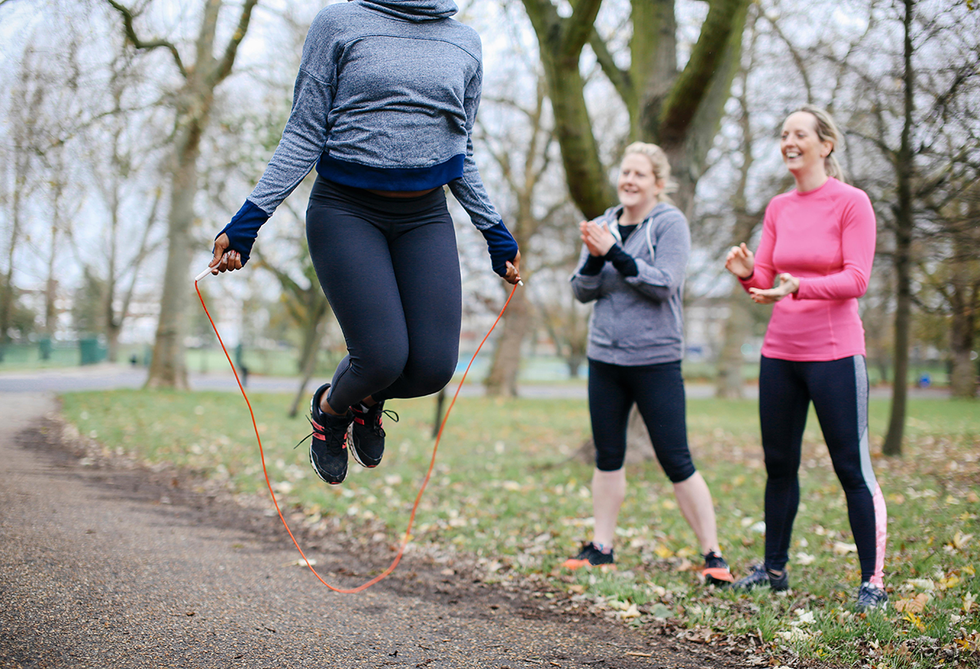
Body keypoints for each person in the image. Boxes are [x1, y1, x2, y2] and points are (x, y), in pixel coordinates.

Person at [208, 0, 521, 486]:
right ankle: (330, 410)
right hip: (346, 210)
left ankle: (364, 402)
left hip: (424, 216)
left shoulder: (465, 42)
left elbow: (461, 149)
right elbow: (304, 132)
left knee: (433, 367)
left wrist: (494, 231)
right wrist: (248, 221)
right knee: (381, 358)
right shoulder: (339, 23)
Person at [724, 106, 887, 612]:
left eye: (799, 134)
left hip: (835, 353)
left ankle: (873, 583)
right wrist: (747, 273)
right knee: (779, 465)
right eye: (784, 134)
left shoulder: (852, 203)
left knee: (851, 467)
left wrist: (799, 286)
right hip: (779, 352)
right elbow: (766, 282)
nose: (789, 141)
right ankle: (773, 570)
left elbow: (857, 278)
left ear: (826, 144)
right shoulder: (779, 207)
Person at [564, 143, 733, 586]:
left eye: (640, 174)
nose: (630, 180)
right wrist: (596, 255)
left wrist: (614, 254)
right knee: (608, 456)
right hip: (605, 358)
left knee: (676, 458)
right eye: (625, 172)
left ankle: (713, 554)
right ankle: (602, 548)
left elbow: (664, 284)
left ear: (659, 183)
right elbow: (581, 291)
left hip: (655, 359)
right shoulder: (603, 223)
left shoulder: (670, 223)